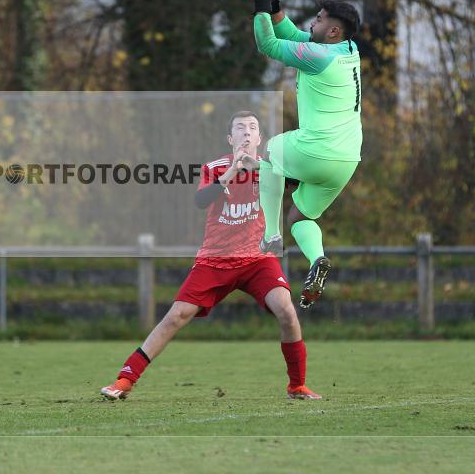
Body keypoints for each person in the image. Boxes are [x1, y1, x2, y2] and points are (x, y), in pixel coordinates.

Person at [100, 111, 321, 401]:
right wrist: (233, 171)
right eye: (240, 128)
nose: (246, 132)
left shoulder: (270, 168)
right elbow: (201, 200)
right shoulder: (214, 168)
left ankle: (297, 386)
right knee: (176, 316)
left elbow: (303, 183)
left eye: (252, 127)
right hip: (216, 259)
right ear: (230, 138)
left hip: (258, 259)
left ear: (259, 138)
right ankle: (125, 379)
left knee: (286, 311)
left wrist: (262, 166)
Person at [250, 0, 362, 309]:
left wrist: (259, 7)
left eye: (320, 19)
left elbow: (268, 45)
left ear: (333, 31)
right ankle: (317, 260)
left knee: (269, 151)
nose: (314, 21)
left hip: (318, 150)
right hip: (347, 160)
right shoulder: (348, 49)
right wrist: (274, 6)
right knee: (299, 217)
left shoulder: (317, 56)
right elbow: (297, 37)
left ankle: (270, 236)